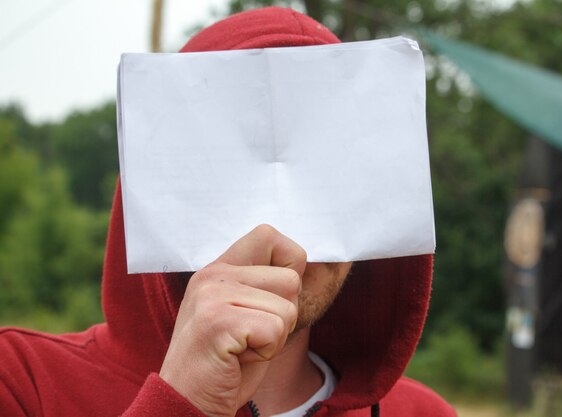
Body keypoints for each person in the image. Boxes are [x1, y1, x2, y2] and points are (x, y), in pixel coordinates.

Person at [0, 7, 456, 417]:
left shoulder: (423, 413)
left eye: (327, 173)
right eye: (238, 170)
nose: (283, 233)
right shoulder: (23, 382)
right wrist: (181, 403)